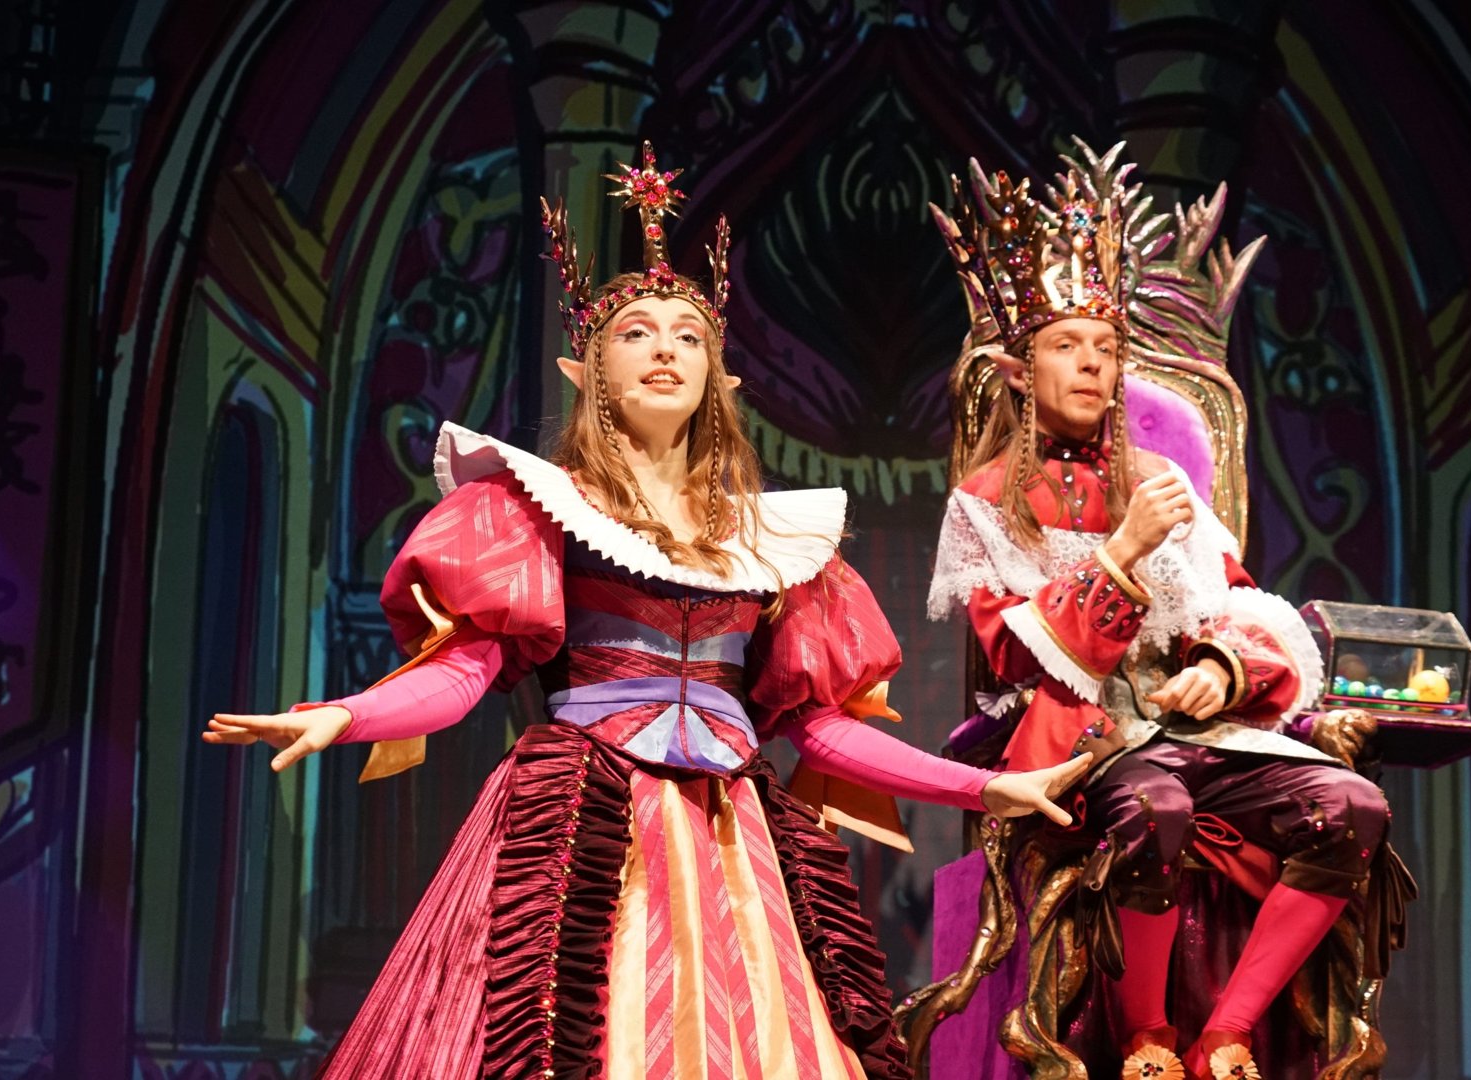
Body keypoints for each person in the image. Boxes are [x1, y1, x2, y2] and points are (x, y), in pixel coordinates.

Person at [205, 143, 1089, 1079]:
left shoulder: (776, 539)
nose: (664, 348)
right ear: (585, 371)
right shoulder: (534, 505)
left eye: (687, 336)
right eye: (635, 332)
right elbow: (464, 671)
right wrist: (343, 716)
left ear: (720, 377)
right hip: (585, 811)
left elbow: (817, 728)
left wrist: (982, 790)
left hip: (730, 826)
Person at [925, 143, 1395, 1080]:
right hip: (1082, 737)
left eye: (1105, 350)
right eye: (1066, 346)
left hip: (1196, 727)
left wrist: (1221, 667)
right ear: (1017, 370)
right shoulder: (985, 501)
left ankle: (1227, 1033)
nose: (1091, 366)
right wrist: (1122, 550)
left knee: (1350, 805)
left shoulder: (1160, 476)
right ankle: (1147, 1035)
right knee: (1154, 807)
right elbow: (1014, 657)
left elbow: (1240, 602)